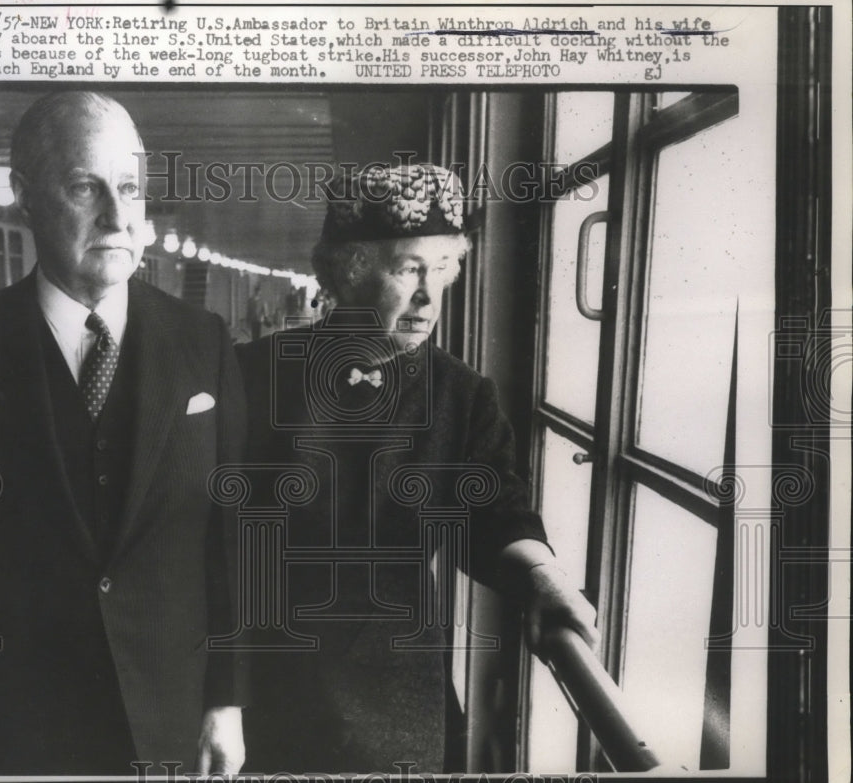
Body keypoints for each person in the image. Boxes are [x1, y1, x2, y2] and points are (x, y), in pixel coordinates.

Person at [0, 92, 246, 776]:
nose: (116, 214)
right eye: (85, 186)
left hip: (164, 724)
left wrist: (226, 702)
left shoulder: (203, 342)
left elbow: (231, 535)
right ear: (24, 196)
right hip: (6, 731)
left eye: (130, 187)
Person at [235, 164, 598, 773]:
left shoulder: (461, 395)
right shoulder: (252, 377)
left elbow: (495, 514)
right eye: (408, 270)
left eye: (443, 269)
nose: (430, 296)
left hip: (395, 700)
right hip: (262, 688)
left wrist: (543, 577)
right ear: (347, 271)